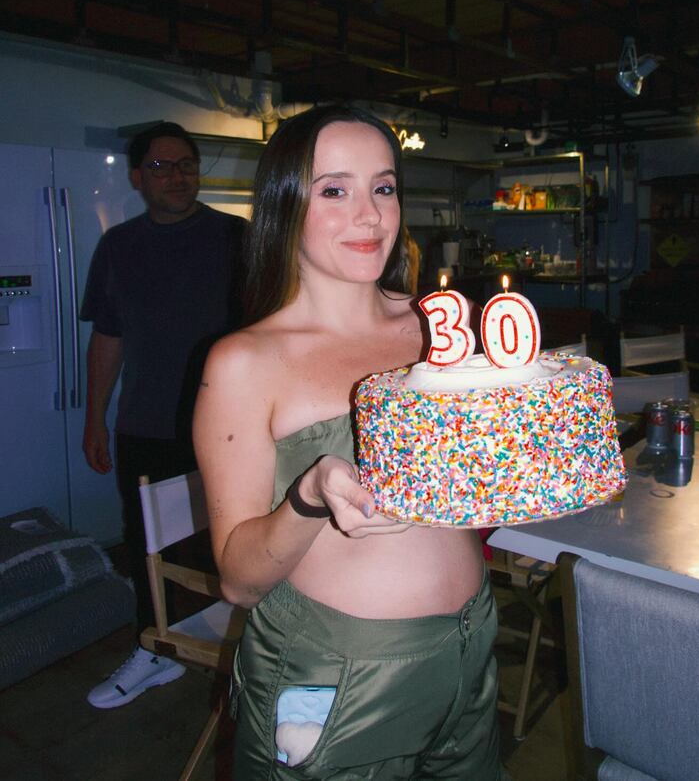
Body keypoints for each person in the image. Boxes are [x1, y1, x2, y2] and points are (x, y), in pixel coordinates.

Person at [193, 105, 507, 779]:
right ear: (284, 206)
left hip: (471, 645)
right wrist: (310, 496)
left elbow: (473, 497)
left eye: (383, 187)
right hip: (332, 678)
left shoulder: (438, 328)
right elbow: (239, 581)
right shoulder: (243, 363)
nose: (369, 215)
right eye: (334, 190)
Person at [81, 121, 246, 709]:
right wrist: (93, 418)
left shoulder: (237, 238)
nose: (176, 175)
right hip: (146, 424)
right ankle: (154, 649)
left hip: (229, 425)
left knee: (231, 540)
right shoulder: (118, 247)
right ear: (136, 177)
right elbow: (108, 338)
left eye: (185, 164)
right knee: (148, 542)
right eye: (161, 166)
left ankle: (247, 653)